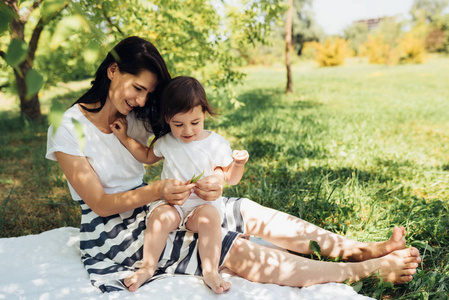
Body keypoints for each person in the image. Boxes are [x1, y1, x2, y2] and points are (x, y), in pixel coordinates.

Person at [46, 36, 420, 294]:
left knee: (249, 212)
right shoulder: (69, 128)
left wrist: (218, 180)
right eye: (137, 88)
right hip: (116, 232)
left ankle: (363, 248)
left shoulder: (139, 116)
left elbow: (186, 136)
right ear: (113, 71)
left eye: (148, 92)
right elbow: (99, 204)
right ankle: (365, 271)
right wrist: (158, 190)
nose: (142, 100)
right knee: (233, 249)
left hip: (160, 205)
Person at [110, 76, 249, 293]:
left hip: (201, 207)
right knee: (159, 218)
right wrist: (124, 137)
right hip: (172, 205)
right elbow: (147, 156)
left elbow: (230, 177)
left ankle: (210, 271)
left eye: (195, 123)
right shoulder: (167, 141)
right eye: (178, 124)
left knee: (210, 218)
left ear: (204, 114)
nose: (187, 131)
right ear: (167, 119)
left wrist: (239, 164)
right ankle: (148, 267)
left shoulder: (215, 143)